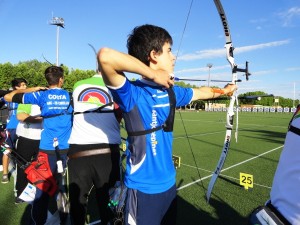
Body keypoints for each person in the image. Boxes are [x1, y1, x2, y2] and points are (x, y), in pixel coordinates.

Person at [97, 24, 237, 225]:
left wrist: (225, 91)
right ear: (154, 55)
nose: (173, 57)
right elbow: (105, 56)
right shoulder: (131, 93)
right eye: (169, 50)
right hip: (141, 190)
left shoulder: (171, 92)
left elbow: (202, 93)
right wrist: (153, 75)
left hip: (169, 187)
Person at [4, 65, 73, 225]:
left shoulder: (41, 95)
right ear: (61, 79)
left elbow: (9, 97)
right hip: (64, 149)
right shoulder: (70, 96)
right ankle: (64, 218)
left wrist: (33, 89)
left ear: (47, 80)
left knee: (42, 186)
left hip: (47, 148)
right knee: (60, 185)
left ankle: (39, 221)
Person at [67, 72, 122, 225]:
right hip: (107, 152)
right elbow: (118, 115)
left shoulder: (78, 84)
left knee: (78, 202)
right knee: (110, 201)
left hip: (78, 151)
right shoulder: (115, 88)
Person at [14, 103, 43, 204]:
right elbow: (21, 116)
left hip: (43, 139)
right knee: (23, 166)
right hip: (25, 138)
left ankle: (40, 193)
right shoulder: (27, 99)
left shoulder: (47, 99)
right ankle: (21, 193)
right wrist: (42, 119)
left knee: (40, 167)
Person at [1, 78, 27, 184]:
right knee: (8, 150)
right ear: (16, 87)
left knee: (24, 151)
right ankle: (5, 174)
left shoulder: (28, 96)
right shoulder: (8, 96)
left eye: (25, 85)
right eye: (23, 85)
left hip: (25, 127)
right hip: (12, 127)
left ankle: (26, 173)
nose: (25, 87)